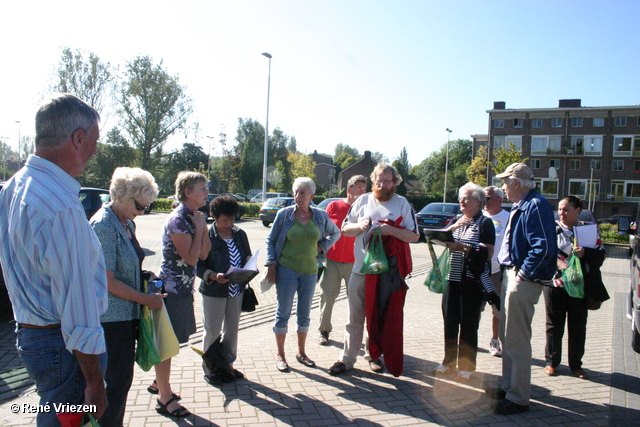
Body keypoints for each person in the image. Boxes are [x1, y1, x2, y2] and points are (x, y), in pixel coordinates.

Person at [0, 94, 108, 426]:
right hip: (63, 347)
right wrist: (94, 382)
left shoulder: (14, 187)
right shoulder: (60, 206)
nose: (94, 151)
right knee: (64, 418)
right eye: (94, 141)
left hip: (33, 335)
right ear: (78, 138)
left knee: (51, 413)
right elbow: (77, 311)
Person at [329, 163, 419, 376]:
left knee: (378, 317)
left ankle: (374, 356)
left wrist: (390, 230)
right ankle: (347, 359)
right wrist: (360, 227)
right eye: (379, 179)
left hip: (386, 273)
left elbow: (414, 236)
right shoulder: (362, 200)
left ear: (394, 182)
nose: (382, 184)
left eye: (387, 180)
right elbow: (345, 229)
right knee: (355, 317)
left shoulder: (402, 204)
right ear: (373, 180)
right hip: (360, 270)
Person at [89, 167, 163, 427]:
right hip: (109, 320)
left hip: (126, 317)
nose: (143, 212)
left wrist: (148, 280)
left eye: (146, 207)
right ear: (123, 195)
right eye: (140, 206)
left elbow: (130, 266)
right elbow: (107, 281)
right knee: (114, 385)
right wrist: (145, 300)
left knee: (120, 383)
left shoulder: (126, 222)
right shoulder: (103, 225)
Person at [485, 163, 557, 415]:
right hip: (511, 274)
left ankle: (518, 398)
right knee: (508, 337)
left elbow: (544, 247)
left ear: (516, 183)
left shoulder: (535, 205)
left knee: (516, 340)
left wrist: (524, 274)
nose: (503, 186)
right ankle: (509, 387)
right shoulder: (523, 204)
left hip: (521, 278)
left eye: (506, 182)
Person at [150, 171, 211, 418]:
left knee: (174, 341)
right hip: (171, 292)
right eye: (203, 188)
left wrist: (202, 227)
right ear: (188, 192)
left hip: (183, 291)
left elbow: (205, 254)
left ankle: (158, 383)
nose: (207, 192)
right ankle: (164, 397)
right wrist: (198, 229)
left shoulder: (194, 218)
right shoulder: (178, 220)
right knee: (167, 345)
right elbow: (190, 257)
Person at [265, 177, 340, 372]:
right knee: (283, 312)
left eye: (303, 193)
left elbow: (336, 233)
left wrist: (323, 246)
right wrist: (271, 264)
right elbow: (270, 240)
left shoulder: (321, 216)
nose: (298, 196)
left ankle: (301, 352)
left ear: (311, 196)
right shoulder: (284, 215)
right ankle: (280, 355)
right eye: (296, 192)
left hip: (310, 271)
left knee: (304, 314)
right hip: (286, 269)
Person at [433, 183, 496, 383]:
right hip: (453, 278)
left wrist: (464, 248)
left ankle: (467, 366)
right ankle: (448, 361)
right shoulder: (458, 220)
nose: (461, 201)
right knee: (450, 321)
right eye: (460, 197)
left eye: (466, 198)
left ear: (478, 202)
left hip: (471, 281)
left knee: (469, 324)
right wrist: (449, 231)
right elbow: (444, 238)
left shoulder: (485, 223)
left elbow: (489, 253)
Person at [543, 196, 608, 379]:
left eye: (566, 210)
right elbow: (544, 252)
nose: (561, 213)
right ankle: (551, 362)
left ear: (578, 211)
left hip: (579, 287)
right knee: (554, 325)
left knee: (578, 325)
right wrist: (560, 265)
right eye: (560, 209)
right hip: (555, 284)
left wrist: (586, 253)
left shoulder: (588, 231)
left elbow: (601, 257)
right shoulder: (551, 229)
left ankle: (576, 365)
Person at [197, 195, 252, 385]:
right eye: (224, 220)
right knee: (212, 332)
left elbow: (247, 256)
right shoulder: (207, 236)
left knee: (232, 331)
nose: (229, 224)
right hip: (214, 291)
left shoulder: (240, 234)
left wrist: (248, 265)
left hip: (236, 290)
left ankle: (227, 365)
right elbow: (198, 266)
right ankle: (210, 369)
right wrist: (213, 276)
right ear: (214, 217)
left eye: (232, 219)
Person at [317, 175, 367, 345]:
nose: (362, 191)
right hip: (332, 261)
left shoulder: (366, 209)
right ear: (349, 189)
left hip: (355, 263)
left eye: (364, 188)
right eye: (359, 187)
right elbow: (321, 228)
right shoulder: (334, 206)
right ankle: (324, 331)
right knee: (327, 296)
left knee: (356, 301)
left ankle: (354, 336)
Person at [483, 186, 510, 357]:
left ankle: (495, 341)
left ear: (499, 200)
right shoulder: (479, 216)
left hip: (497, 271)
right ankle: (469, 341)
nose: (483, 202)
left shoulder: (508, 218)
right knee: (474, 309)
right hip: (478, 271)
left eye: (487, 198)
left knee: (498, 310)